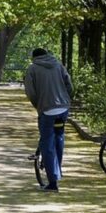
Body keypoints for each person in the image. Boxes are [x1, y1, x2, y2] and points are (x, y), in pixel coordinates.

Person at [24, 48, 73, 192]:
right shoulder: (59, 65)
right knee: (59, 138)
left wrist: (38, 105)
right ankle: (58, 169)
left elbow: (30, 92)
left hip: (47, 110)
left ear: (34, 57)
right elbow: (69, 85)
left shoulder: (32, 69)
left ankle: (53, 182)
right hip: (63, 109)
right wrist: (66, 100)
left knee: (47, 144)